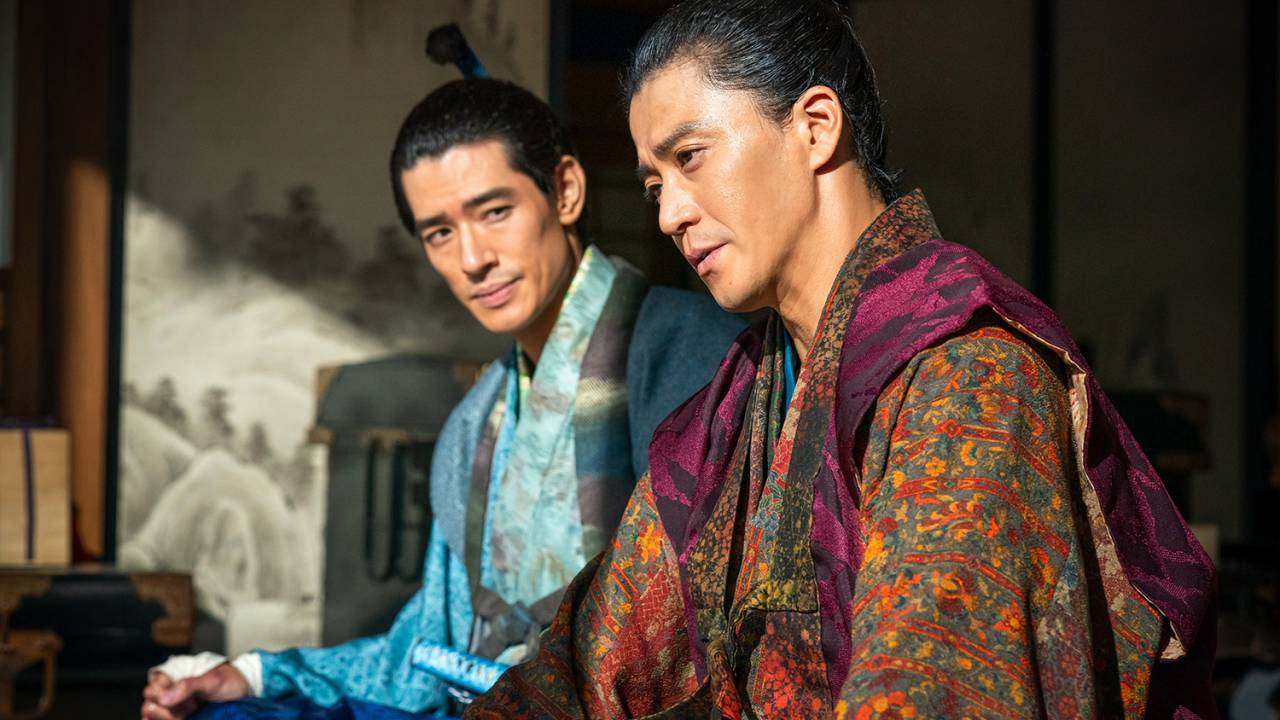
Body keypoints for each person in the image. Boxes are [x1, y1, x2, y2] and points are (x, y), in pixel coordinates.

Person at [467, 1, 1217, 718]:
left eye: (691, 158)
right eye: (655, 185)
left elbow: (935, 687)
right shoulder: (736, 413)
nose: (669, 214)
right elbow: (587, 667)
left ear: (816, 126)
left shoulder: (969, 378)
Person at [139, 77, 744, 720]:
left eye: (495, 212)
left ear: (565, 190)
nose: (472, 258)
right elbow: (427, 649)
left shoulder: (707, 360)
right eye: (439, 233)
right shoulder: (475, 423)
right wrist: (256, 674)